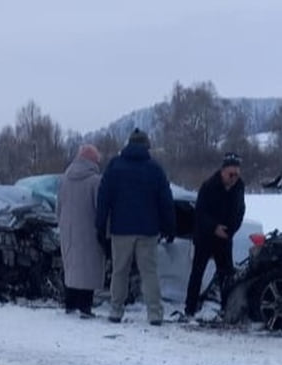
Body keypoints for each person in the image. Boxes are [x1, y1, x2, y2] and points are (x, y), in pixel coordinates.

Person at [95, 129, 175, 325]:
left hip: (120, 229)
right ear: (146, 146)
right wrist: (170, 227)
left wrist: (100, 226)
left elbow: (103, 199)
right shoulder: (155, 169)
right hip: (148, 230)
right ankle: (155, 313)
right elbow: (166, 201)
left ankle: (115, 311)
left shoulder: (114, 166)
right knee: (149, 273)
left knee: (119, 271)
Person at [183, 152, 246, 319]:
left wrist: (231, 230)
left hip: (225, 237)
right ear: (223, 171)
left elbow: (240, 211)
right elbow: (200, 213)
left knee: (226, 275)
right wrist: (213, 228)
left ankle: (227, 308)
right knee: (198, 272)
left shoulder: (239, 187)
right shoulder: (209, 186)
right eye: (231, 174)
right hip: (206, 236)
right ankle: (190, 308)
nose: (234, 178)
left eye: (237, 175)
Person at [56, 144, 106, 317]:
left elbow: (58, 207)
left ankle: (70, 303)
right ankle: (85, 306)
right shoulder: (95, 181)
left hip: (68, 230)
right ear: (93, 160)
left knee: (71, 267)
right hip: (88, 231)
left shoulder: (64, 179)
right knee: (88, 268)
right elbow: (100, 209)